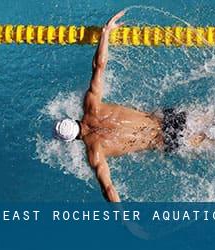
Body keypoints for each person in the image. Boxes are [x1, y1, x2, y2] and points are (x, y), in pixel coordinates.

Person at [54, 11, 206, 202]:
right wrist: (105, 33)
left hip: (167, 140)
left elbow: (108, 189)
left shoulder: (95, 152)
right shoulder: (91, 105)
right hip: (168, 118)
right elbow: (99, 66)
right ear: (72, 119)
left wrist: (125, 221)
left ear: (72, 140)